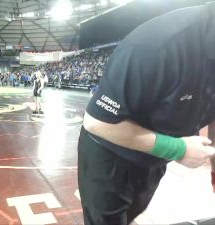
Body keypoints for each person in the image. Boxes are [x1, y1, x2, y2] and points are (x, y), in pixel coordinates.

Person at [78, 3, 215, 225]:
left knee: (133, 212)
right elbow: (96, 122)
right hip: (111, 154)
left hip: (155, 155)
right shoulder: (156, 46)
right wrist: (178, 149)